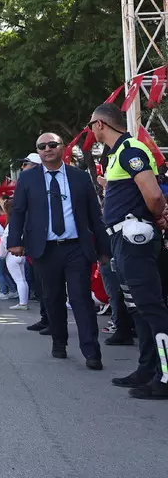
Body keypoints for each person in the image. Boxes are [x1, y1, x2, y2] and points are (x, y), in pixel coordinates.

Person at [87, 103, 168, 399]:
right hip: (122, 240)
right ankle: (148, 368)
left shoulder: (129, 150)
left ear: (99, 124)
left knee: (151, 307)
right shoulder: (117, 154)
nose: (90, 132)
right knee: (138, 307)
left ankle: (166, 374)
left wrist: (157, 217)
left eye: (90, 126)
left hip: (135, 240)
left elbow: (154, 194)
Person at [8, 132, 109, 370]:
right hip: (44, 250)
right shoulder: (28, 178)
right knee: (52, 298)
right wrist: (15, 241)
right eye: (41, 146)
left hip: (76, 248)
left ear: (62, 148)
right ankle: (59, 341)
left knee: (81, 299)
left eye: (52, 145)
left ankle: (92, 352)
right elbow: (19, 211)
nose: (47, 149)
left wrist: (104, 249)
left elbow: (95, 214)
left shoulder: (79, 177)